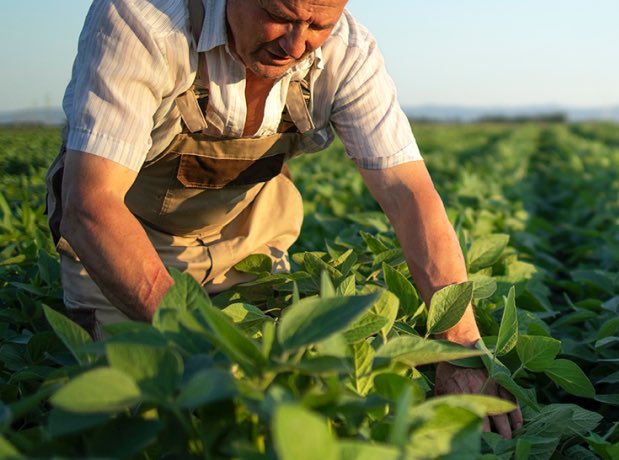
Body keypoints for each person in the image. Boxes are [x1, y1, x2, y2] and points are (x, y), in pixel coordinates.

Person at [45, 0, 522, 437]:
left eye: (318, 24)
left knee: (281, 409)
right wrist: (206, 344)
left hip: (251, 238)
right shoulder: (144, 21)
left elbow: (408, 194)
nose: (295, 45)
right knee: (136, 418)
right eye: (279, 14)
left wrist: (460, 349)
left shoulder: (348, 52)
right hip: (125, 244)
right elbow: (90, 207)